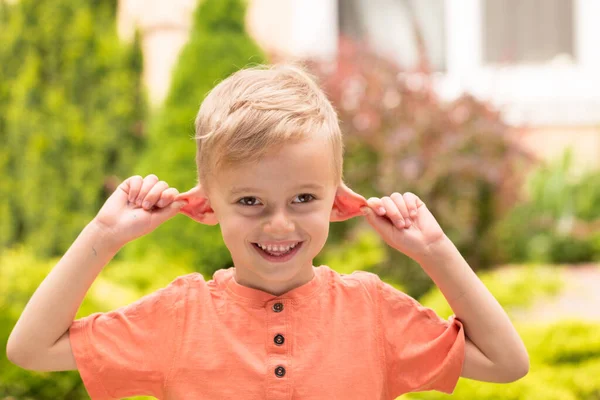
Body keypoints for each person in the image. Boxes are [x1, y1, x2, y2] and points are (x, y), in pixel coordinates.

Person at [6, 64, 529, 399]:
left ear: (338, 201)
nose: (279, 223)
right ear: (207, 206)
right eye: (250, 201)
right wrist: (104, 234)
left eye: (304, 198)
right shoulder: (177, 318)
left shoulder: (372, 313)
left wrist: (434, 250)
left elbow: (506, 363)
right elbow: (29, 350)